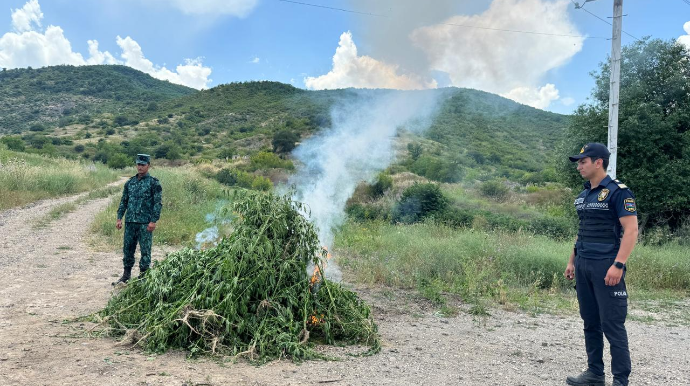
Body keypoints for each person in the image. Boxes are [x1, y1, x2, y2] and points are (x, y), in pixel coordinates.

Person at [564, 143, 638, 386]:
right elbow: (581, 231)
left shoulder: (619, 192)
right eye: (578, 162)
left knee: (612, 324)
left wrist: (619, 264)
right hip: (584, 265)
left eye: (583, 161)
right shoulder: (584, 196)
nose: (579, 166)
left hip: (606, 265)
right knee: (590, 322)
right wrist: (572, 261)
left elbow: (631, 230)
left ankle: (620, 380)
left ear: (598, 162)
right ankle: (594, 374)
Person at [113, 154, 162, 284]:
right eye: (138, 164)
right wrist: (119, 218)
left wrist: (153, 221)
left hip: (145, 223)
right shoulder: (130, 183)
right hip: (130, 222)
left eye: (143, 165)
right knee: (128, 249)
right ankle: (126, 275)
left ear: (148, 165)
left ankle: (144, 277)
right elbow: (124, 201)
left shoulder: (153, 183)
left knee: (145, 250)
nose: (140, 167)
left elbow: (158, 203)